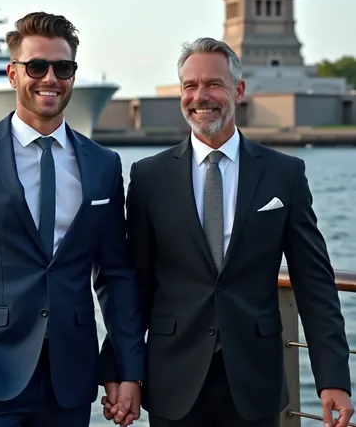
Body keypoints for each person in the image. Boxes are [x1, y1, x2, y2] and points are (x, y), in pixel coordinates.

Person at [0, 11, 144, 427]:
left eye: (63, 67)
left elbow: (116, 275)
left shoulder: (104, 165)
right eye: (36, 66)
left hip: (70, 382)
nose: (50, 78)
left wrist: (126, 369)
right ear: (13, 74)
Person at [102, 37, 354, 427]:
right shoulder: (149, 177)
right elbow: (134, 283)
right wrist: (123, 371)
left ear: (238, 90)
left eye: (213, 84)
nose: (201, 96)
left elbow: (314, 282)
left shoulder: (283, 174)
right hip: (173, 380)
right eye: (190, 86)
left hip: (256, 382)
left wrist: (333, 378)